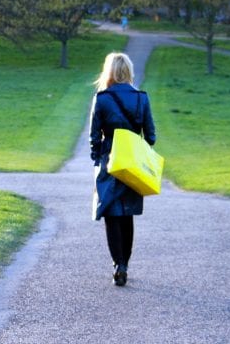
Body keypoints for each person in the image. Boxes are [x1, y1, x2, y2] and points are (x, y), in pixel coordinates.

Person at [89, 52, 156, 286]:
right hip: (133, 163)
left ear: (108, 71)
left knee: (110, 213)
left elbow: (93, 138)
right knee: (127, 214)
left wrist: (97, 160)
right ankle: (125, 263)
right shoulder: (141, 98)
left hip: (109, 161)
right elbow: (152, 136)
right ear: (128, 71)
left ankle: (118, 264)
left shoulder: (102, 98)